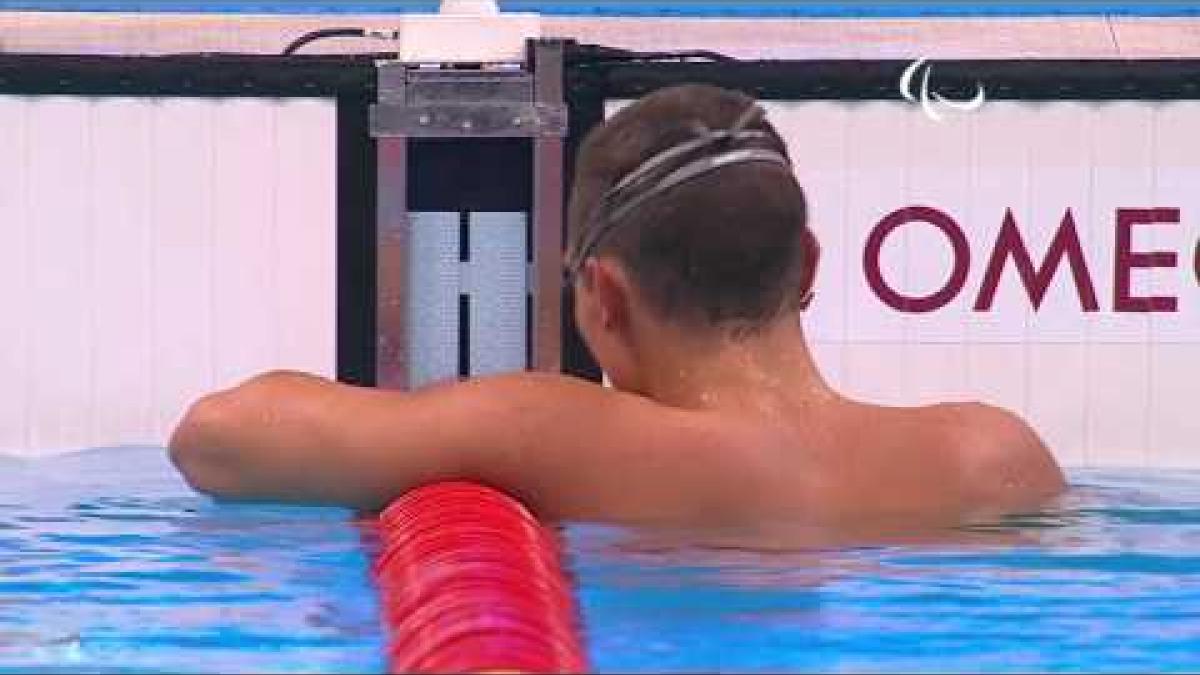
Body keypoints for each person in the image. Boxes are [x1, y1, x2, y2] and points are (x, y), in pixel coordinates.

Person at [169, 84, 1064, 530]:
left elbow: (219, 437)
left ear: (603, 295)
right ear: (808, 264)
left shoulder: (564, 436)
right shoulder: (990, 456)